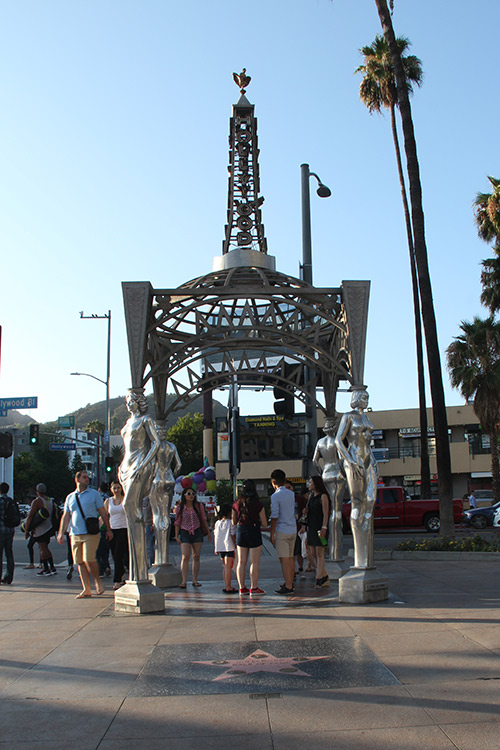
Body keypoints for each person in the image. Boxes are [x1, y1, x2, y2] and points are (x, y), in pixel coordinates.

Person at [119, 389, 160, 582]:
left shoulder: (146, 421)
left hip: (138, 465)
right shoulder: (128, 423)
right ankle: (136, 569)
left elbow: (156, 443)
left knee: (130, 506)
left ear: (139, 402)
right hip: (125, 467)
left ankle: (140, 568)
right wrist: (120, 466)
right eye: (127, 401)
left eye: (132, 401)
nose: (129, 404)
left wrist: (145, 464)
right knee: (130, 510)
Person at [335, 387, 378, 570]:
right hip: (354, 459)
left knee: (371, 499)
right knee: (357, 502)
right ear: (357, 398)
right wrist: (350, 462)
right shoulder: (348, 416)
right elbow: (338, 440)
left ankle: (365, 523)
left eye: (368, 397)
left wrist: (373, 461)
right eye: (364, 397)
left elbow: (368, 441)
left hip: (369, 460)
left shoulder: (366, 417)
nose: (366, 400)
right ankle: (360, 556)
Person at [57, 470, 113, 598]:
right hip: (75, 533)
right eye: (84, 477)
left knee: (89, 559)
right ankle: (86, 588)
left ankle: (97, 582)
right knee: (80, 561)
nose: (87, 479)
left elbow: (103, 512)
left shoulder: (94, 494)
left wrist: (108, 528)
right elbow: (66, 516)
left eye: (87, 477)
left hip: (91, 532)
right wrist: (61, 532)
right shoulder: (70, 497)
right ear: (77, 480)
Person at [313, 417, 346, 562]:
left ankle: (327, 547)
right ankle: (335, 551)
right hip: (337, 473)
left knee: (327, 509)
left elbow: (314, 461)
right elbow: (341, 459)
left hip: (325, 473)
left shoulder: (320, 442)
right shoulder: (337, 441)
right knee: (336, 511)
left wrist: (321, 473)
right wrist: (343, 472)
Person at [232, 479, 267, 596]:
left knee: (241, 562)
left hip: (241, 530)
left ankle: (242, 588)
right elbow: (265, 523)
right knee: (254, 562)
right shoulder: (258, 504)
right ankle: (254, 588)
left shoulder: (237, 504)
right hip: (254, 530)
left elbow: (234, 521)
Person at [174, 486, 210, 588]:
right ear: (184, 496)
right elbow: (177, 522)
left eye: (193, 494)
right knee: (185, 556)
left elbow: (203, 519)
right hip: (185, 531)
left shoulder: (198, 506)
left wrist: (208, 532)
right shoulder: (180, 508)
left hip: (197, 531)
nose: (191, 496)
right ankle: (184, 581)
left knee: (196, 556)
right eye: (188, 494)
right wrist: (176, 536)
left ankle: (195, 580)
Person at [270, 470, 297, 596]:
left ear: (273, 482)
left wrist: (272, 533)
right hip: (292, 529)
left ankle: (288, 585)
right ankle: (289, 581)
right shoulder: (291, 494)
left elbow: (275, 516)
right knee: (290, 558)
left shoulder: (275, 496)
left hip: (282, 530)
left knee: (284, 560)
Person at [24, 483, 57, 576]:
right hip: (49, 527)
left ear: (37, 491)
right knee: (45, 547)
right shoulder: (50, 500)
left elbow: (30, 516)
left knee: (42, 548)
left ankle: (47, 569)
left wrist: (27, 529)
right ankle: (51, 567)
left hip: (40, 529)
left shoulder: (37, 501)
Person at [305, 476, 330, 588]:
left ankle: (319, 578)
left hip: (320, 527)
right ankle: (323, 575)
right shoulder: (311, 496)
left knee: (320, 552)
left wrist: (324, 527)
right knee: (310, 552)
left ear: (316, 483)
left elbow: (326, 513)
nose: (309, 484)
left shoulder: (323, 496)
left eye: (311, 482)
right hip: (311, 526)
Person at [105, 480, 129, 590]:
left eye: (118, 488)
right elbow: (104, 516)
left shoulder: (126, 499)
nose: (116, 490)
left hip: (123, 529)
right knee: (114, 555)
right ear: (111, 489)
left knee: (119, 553)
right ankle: (121, 571)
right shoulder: (108, 501)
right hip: (112, 529)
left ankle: (117, 580)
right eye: (114, 488)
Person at [284, 480, 307, 576]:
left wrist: (303, 525)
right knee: (291, 552)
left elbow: (305, 512)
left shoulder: (299, 499)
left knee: (299, 550)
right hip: (288, 527)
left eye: (289, 487)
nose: (288, 490)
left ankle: (300, 567)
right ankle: (292, 570)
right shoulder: (283, 499)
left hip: (298, 527)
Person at [213, 503, 237, 593]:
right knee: (228, 567)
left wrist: (216, 547)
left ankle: (226, 585)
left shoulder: (217, 523)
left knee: (224, 567)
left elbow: (216, 535)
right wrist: (235, 544)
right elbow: (233, 534)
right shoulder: (230, 523)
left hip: (220, 547)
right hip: (229, 546)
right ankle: (228, 586)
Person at [0, 482, 15, 585]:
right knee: (9, 554)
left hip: (1, 531)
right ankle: (9, 577)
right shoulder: (11, 501)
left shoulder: (0, 501)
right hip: (10, 530)